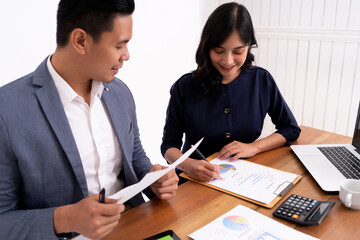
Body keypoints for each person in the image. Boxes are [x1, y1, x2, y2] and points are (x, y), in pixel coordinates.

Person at [0, 0, 179, 239]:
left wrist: (153, 178)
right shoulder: (7, 111)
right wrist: (66, 218)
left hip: (138, 227)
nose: (127, 55)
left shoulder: (120, 92)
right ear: (81, 41)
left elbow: (135, 155)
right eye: (119, 45)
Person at [161, 2, 301, 183]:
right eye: (219, 50)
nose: (228, 61)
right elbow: (168, 145)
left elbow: (290, 129)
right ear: (207, 47)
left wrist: (254, 147)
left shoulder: (261, 80)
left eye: (238, 51)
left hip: (244, 179)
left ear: (249, 46)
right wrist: (188, 165)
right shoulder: (185, 87)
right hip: (195, 181)